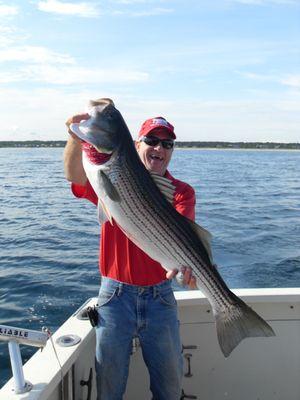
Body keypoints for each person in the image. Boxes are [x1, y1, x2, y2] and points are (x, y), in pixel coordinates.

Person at [64, 105, 197, 400]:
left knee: (170, 387)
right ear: (137, 145)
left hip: (160, 297)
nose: (158, 148)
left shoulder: (181, 192)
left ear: (172, 150)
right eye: (151, 141)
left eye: (167, 143)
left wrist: (189, 272)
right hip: (115, 296)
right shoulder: (106, 174)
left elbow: (182, 239)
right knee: (109, 388)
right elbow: (73, 175)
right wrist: (74, 137)